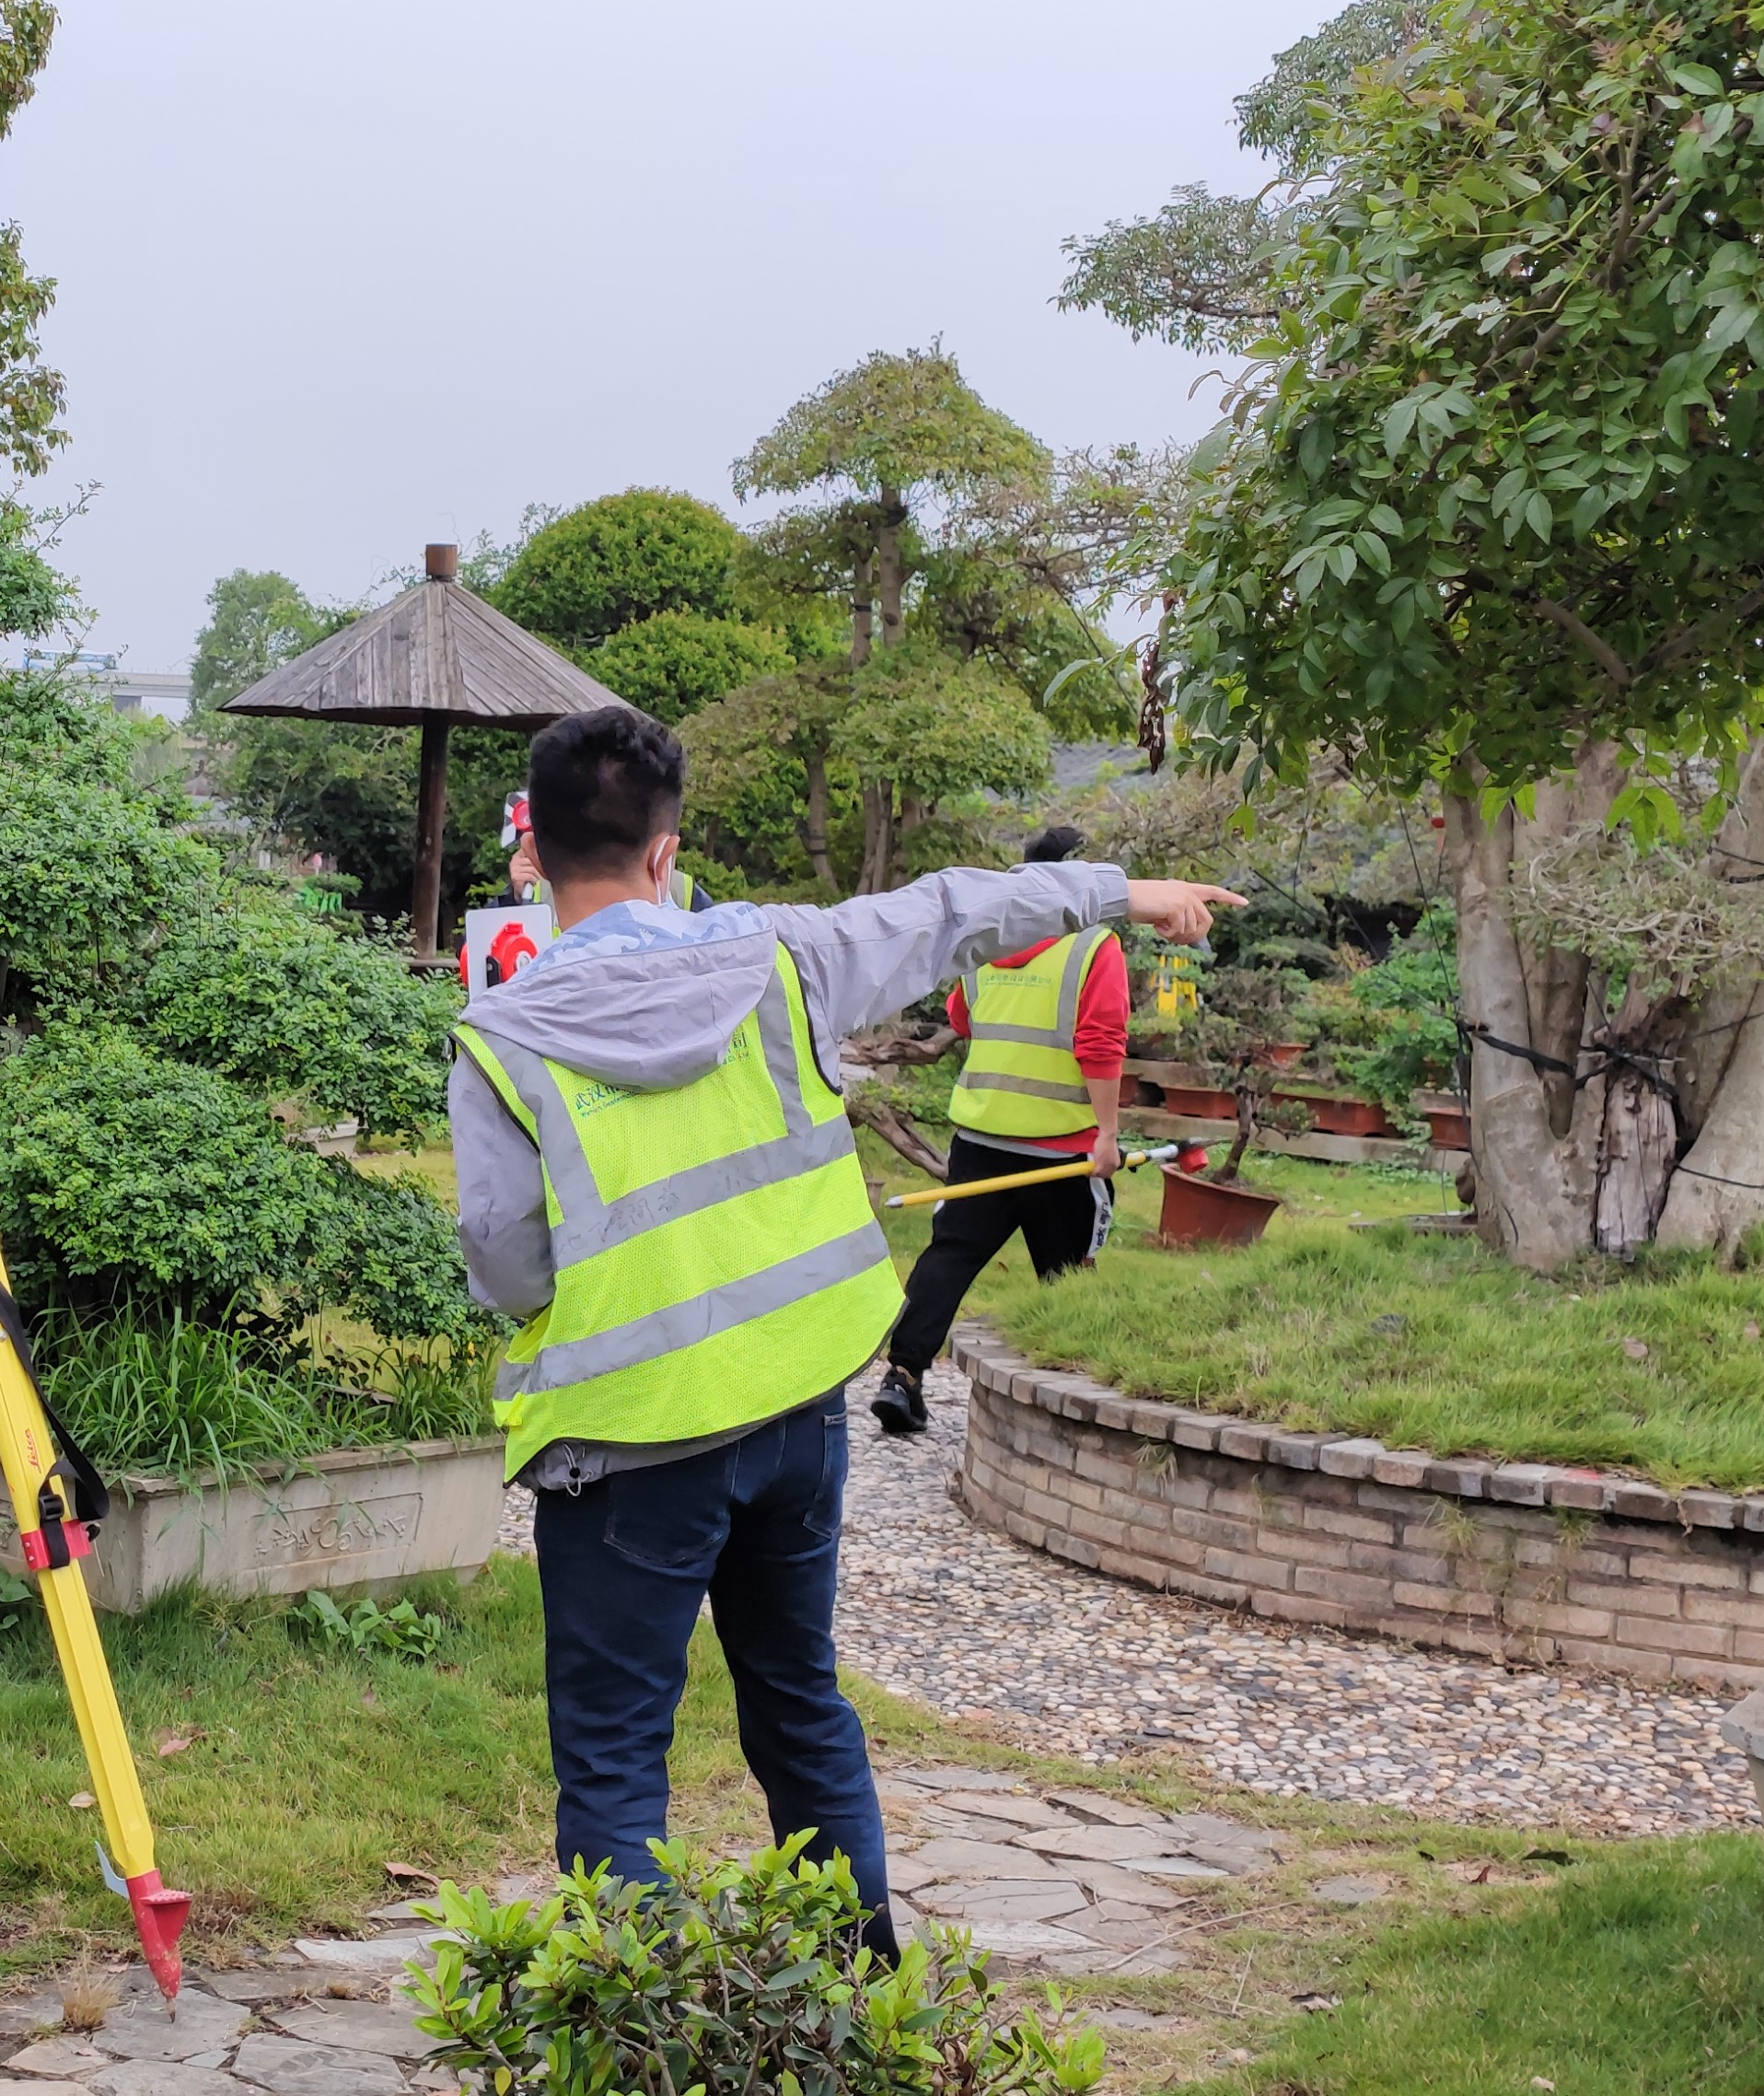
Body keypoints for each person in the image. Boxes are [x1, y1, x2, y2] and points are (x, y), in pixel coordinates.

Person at [447, 706, 1232, 1951]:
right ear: (668, 850)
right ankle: (858, 2004)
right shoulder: (782, 957)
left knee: (615, 1757)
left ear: (532, 855)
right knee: (801, 1705)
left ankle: (639, 2033)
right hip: (795, 1417)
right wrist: (1121, 893)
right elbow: (947, 910)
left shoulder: (503, 1039)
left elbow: (501, 1253)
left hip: (624, 1443)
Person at [868, 824, 1125, 1437]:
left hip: (982, 1141)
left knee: (950, 1257)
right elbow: (1100, 1044)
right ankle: (1071, 1403)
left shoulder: (989, 942)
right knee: (1068, 1275)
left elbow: (961, 1017)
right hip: (1063, 1152)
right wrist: (1108, 1135)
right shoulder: (1094, 946)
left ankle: (902, 1376)